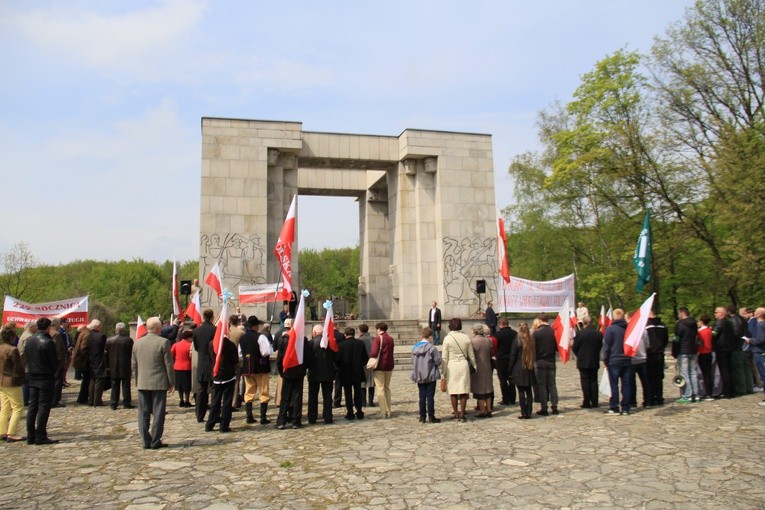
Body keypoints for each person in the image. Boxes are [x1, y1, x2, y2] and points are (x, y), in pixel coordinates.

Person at [131, 317, 174, 449]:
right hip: (159, 382)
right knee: (158, 412)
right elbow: (168, 364)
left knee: (143, 412)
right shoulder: (163, 342)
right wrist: (171, 381)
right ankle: (155, 440)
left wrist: (136, 379)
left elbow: (134, 364)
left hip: (143, 381)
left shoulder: (137, 343)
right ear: (157, 328)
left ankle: (145, 440)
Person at [25, 317, 60, 444]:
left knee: (33, 406)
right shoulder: (47, 342)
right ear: (48, 327)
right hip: (45, 377)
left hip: (33, 376)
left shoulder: (30, 340)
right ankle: (40, 435)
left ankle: (30, 435)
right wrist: (55, 369)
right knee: (44, 406)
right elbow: (54, 361)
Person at [275, 322, 312, 429]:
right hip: (298, 371)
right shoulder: (303, 340)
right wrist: (305, 368)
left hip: (287, 371)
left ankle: (281, 421)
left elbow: (279, 358)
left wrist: (281, 371)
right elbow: (307, 357)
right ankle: (296, 421)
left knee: (285, 397)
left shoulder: (282, 339)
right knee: (297, 397)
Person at [239, 315, 273, 425]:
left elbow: (240, 353)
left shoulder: (242, 338)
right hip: (260, 367)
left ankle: (249, 416)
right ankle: (263, 417)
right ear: (256, 326)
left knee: (249, 392)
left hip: (247, 367)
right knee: (263, 391)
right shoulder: (260, 337)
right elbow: (265, 352)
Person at [441, 318, 475, 422]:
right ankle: (462, 413)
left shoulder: (447, 338)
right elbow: (471, 355)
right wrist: (474, 366)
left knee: (453, 391)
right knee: (464, 390)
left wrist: (443, 372)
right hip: (463, 365)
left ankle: (455, 413)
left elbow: (444, 357)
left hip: (452, 366)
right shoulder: (466, 337)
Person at [205, 329, 238, 433]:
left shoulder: (211, 344)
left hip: (217, 375)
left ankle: (210, 424)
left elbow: (210, 358)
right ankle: (224, 426)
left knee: (215, 401)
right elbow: (235, 360)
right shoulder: (230, 345)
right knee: (226, 402)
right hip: (227, 375)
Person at [602, 309, 631, 415]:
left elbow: (607, 347)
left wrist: (605, 359)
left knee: (614, 385)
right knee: (626, 385)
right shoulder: (628, 328)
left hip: (614, 360)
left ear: (614, 317)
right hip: (627, 359)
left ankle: (614, 406)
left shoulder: (610, 330)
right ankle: (626, 408)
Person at [410, 327, 442, 423]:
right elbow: (438, 360)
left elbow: (412, 361)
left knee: (422, 396)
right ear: (430, 336)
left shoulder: (415, 348)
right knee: (430, 396)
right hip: (430, 374)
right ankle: (431, 416)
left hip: (419, 374)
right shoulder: (432, 348)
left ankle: (422, 416)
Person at [307, 325, 337, 425]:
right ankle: (328, 417)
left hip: (314, 373)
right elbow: (335, 357)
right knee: (327, 396)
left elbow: (307, 359)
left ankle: (312, 417)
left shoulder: (310, 343)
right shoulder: (330, 343)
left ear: (314, 333)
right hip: (328, 372)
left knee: (312, 397)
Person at [0, 327, 26, 442]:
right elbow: (18, 367)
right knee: (18, 407)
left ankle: (2, 431)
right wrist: (23, 379)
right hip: (12, 381)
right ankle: (11, 433)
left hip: (1, 381)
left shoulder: (0, 348)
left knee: (5, 408)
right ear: (12, 337)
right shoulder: (13, 350)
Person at [338, 327, 368, 420]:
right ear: (354, 334)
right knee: (358, 392)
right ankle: (359, 412)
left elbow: (337, 360)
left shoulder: (341, 345)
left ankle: (350, 412)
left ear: (345, 334)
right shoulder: (360, 343)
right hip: (358, 371)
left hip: (345, 372)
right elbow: (365, 359)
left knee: (348, 393)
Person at [572, 316, 602, 408]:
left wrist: (579, 355)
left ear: (584, 323)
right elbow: (600, 346)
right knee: (594, 380)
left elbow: (574, 347)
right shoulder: (598, 333)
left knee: (585, 381)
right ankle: (595, 401)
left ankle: (587, 401)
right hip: (594, 359)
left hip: (583, 360)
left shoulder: (580, 333)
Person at [192, 309, 216, 422]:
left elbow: (196, 347)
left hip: (202, 362)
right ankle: (214, 414)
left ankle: (199, 415)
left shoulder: (196, 331)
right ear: (212, 317)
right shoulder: (214, 330)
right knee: (214, 390)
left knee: (201, 391)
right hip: (212, 362)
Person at [533, 313, 559, 416]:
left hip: (540, 361)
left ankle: (544, 407)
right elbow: (557, 347)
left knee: (542, 385)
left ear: (539, 320)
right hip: (551, 360)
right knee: (552, 384)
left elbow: (534, 349)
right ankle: (555, 406)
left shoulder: (537, 333)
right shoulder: (554, 332)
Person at [509, 322, 536, 419]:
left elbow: (512, 357)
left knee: (521, 391)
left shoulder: (517, 342)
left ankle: (523, 412)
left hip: (519, 367)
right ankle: (529, 412)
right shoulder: (531, 341)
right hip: (529, 366)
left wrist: (510, 369)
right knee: (528, 391)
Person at [105, 322, 134, 410]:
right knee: (126, 385)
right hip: (125, 365)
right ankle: (126, 403)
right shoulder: (128, 340)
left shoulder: (109, 340)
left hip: (113, 365)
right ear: (124, 330)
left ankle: (113, 403)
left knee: (114, 385)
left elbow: (106, 354)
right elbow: (130, 353)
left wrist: (107, 365)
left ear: (116, 330)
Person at [673, 307, 699, 403]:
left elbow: (676, 339)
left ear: (682, 313)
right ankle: (695, 395)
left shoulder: (680, 324)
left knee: (684, 374)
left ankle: (687, 395)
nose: (678, 315)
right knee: (693, 373)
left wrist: (674, 352)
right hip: (692, 350)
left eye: (679, 313)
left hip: (683, 351)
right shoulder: (694, 324)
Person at [370, 322, 395, 418]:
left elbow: (374, 353)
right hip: (389, 365)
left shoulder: (377, 339)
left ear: (379, 329)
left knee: (380, 388)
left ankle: (383, 411)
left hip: (380, 366)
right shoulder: (390, 338)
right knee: (387, 388)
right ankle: (389, 410)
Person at [645, 311, 669, 406]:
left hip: (650, 354)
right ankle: (659, 397)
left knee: (650, 377)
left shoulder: (646, 326)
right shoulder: (663, 326)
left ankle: (651, 398)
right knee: (659, 377)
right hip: (660, 353)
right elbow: (666, 339)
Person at [712, 306, 737, 398]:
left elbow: (714, 334)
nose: (714, 314)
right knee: (729, 369)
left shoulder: (720, 322)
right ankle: (731, 390)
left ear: (721, 313)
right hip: (729, 348)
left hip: (721, 349)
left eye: (716, 312)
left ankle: (726, 391)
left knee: (724, 370)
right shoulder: (729, 322)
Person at [470, 324, 494, 418]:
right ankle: (489, 409)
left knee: (479, 390)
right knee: (487, 389)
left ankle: (482, 410)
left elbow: (471, 354)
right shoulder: (488, 340)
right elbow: (491, 352)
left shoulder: (473, 341)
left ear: (475, 331)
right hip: (487, 366)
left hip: (478, 367)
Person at [494, 316, 517, 406]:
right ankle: (512, 398)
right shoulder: (514, 333)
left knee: (503, 380)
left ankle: (505, 399)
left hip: (501, 359)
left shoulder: (498, 335)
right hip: (512, 358)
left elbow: (495, 347)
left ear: (501, 324)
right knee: (511, 379)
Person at [728, 305, 750, 396]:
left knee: (739, 368)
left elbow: (736, 333)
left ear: (728, 312)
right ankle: (749, 387)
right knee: (745, 368)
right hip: (743, 345)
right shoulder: (742, 319)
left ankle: (742, 389)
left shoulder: (734, 320)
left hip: (736, 346)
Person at [745, 307, 765, 406]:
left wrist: (750, 340)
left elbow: (760, 339)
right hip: (761, 351)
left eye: (756, 312)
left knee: (763, 375)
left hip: (759, 351)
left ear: (759, 314)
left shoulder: (760, 325)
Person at [87, 320, 108, 406]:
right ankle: (97, 401)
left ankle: (91, 400)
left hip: (92, 359)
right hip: (99, 359)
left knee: (92, 380)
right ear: (98, 327)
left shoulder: (89, 336)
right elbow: (104, 348)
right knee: (99, 380)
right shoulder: (101, 336)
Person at [170, 330, 193, 407]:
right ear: (189, 338)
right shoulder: (190, 345)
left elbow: (171, 354)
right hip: (187, 367)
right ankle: (187, 400)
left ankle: (181, 400)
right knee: (187, 386)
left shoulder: (176, 345)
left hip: (177, 367)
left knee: (179, 386)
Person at [17, 321, 37, 406]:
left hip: (25, 363)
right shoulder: (28, 337)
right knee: (27, 383)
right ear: (31, 327)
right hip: (27, 364)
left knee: (26, 383)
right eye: (35, 327)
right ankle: (25, 400)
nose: (36, 328)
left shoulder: (25, 335)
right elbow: (25, 352)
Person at [696, 314, 715, 400]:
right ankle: (709, 392)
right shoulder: (709, 330)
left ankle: (707, 393)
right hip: (709, 353)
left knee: (705, 374)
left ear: (701, 321)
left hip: (702, 353)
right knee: (708, 373)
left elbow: (700, 344)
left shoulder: (700, 332)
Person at [358, 324, 375, 406]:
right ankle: (371, 401)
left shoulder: (359, 340)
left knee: (363, 383)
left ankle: (363, 401)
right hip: (372, 362)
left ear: (360, 331)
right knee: (371, 383)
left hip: (362, 363)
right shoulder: (373, 339)